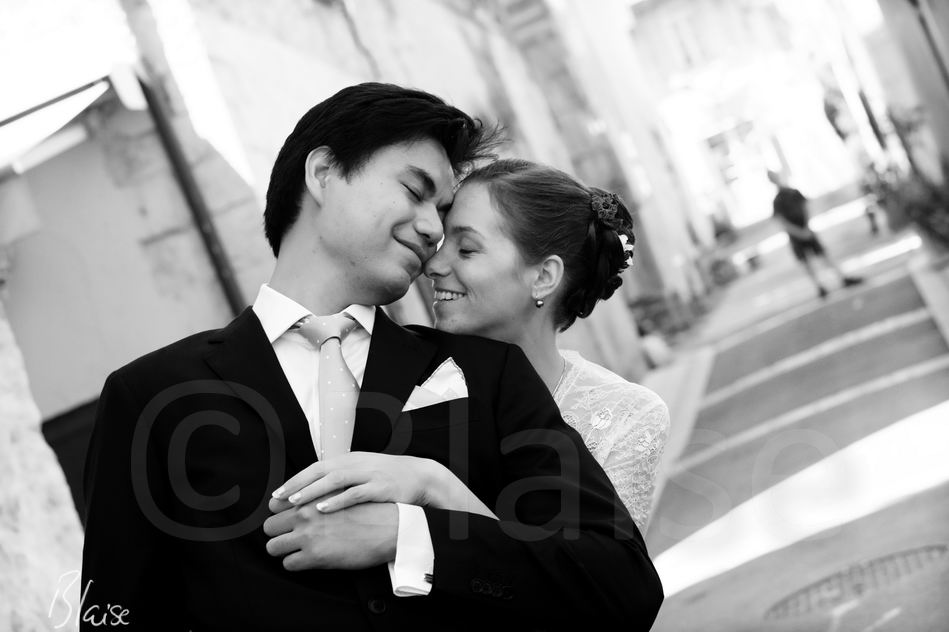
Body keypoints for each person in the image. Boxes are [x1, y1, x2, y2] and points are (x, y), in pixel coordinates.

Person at [81, 83, 663, 631]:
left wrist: (413, 533)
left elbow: (622, 584)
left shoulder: (489, 373)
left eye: (443, 211)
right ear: (323, 173)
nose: (432, 230)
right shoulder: (150, 397)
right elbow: (113, 613)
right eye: (415, 191)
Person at [275, 159, 669, 534]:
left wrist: (436, 487)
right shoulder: (387, 369)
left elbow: (598, 574)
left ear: (543, 276)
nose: (432, 266)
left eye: (466, 249)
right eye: (442, 243)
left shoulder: (627, 416)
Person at [768, 170, 862, 299]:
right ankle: (819, 286)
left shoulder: (793, 192)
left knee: (823, 255)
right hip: (796, 235)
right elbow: (782, 222)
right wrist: (800, 232)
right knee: (806, 262)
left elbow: (805, 208)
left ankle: (841, 278)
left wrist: (806, 227)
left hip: (805, 230)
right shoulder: (777, 201)